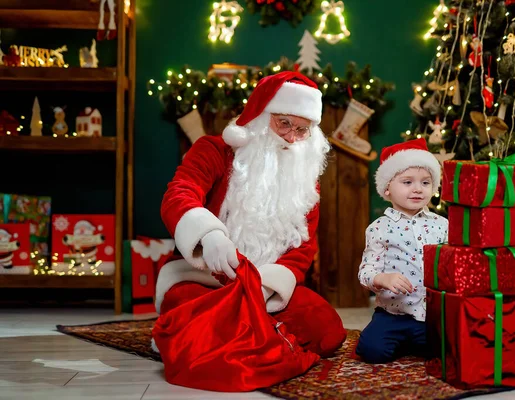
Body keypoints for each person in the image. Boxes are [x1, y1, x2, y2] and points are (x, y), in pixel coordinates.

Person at [154, 71, 346, 359]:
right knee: (186, 305)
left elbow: (303, 249)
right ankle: (247, 332)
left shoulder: (304, 182)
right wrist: (209, 234)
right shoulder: (213, 150)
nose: (292, 138)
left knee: (327, 330)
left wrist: (267, 287)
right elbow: (179, 194)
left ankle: (229, 332)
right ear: (260, 116)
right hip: (205, 279)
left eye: (302, 129)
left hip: (266, 287)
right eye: (283, 123)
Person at [355, 138, 448, 364]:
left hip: (431, 314)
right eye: (407, 182)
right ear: (388, 187)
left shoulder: (442, 225)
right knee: (371, 351)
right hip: (393, 314)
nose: (417, 189)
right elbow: (365, 271)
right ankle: (400, 339)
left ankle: (418, 341)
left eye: (425, 183)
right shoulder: (379, 228)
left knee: (449, 349)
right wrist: (382, 278)